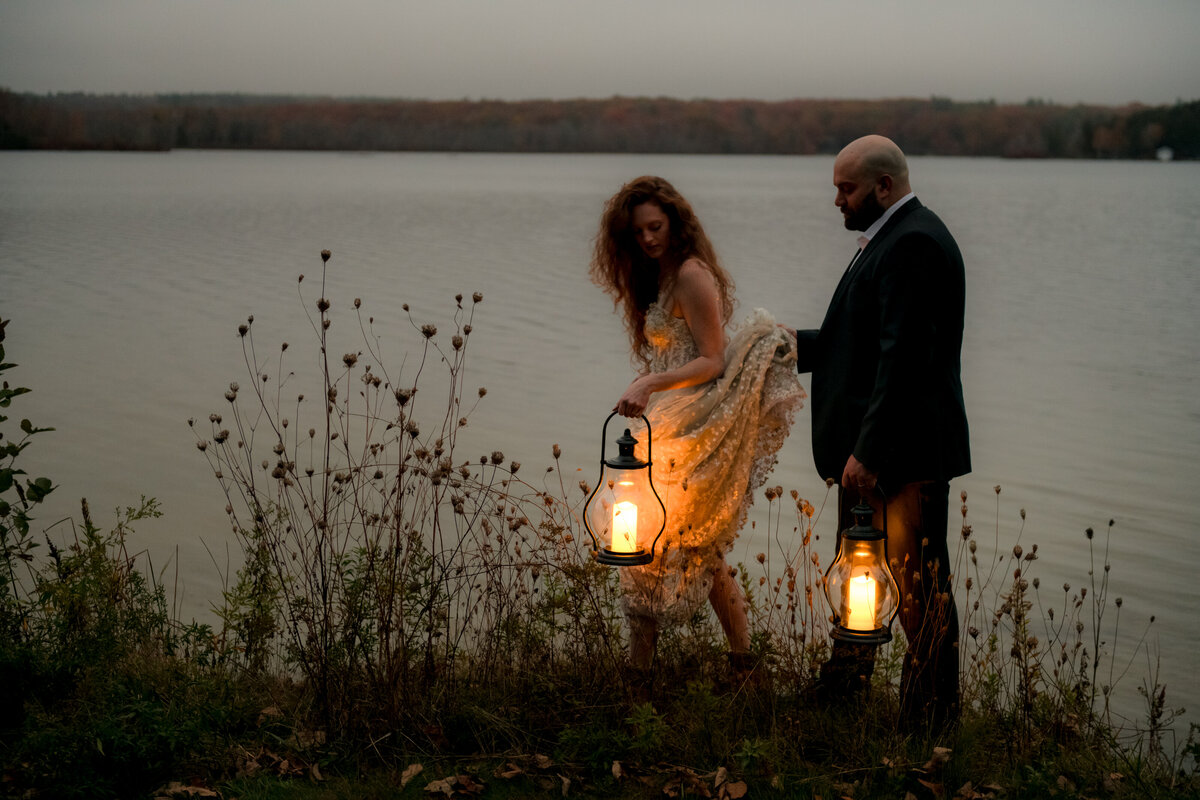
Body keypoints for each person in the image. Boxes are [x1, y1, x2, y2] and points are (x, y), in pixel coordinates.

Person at [786, 135, 970, 728]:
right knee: (860, 569)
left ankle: (931, 721)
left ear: (882, 187)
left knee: (920, 587)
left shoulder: (913, 243)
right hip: (882, 451)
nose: (837, 200)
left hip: (904, 455)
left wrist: (868, 452)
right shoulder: (888, 238)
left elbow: (904, 360)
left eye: (846, 188)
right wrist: (785, 347)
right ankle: (843, 690)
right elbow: (859, 343)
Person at [590, 175, 805, 678]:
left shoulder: (691, 274)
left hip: (696, 424)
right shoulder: (658, 276)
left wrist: (650, 382)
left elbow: (712, 360)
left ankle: (733, 667)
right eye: (637, 232)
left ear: (676, 221)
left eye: (655, 227)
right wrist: (653, 388)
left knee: (689, 544)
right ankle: (695, 669)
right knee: (656, 542)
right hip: (667, 421)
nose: (647, 239)